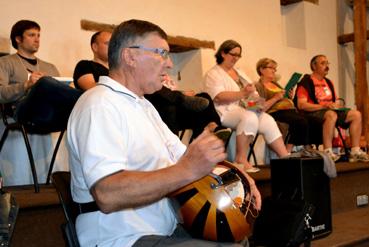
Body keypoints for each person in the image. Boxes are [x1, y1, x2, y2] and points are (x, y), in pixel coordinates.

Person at [67, 19, 261, 247]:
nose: (169, 64)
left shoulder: (144, 106)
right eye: (161, 53)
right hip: (121, 237)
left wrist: (239, 176)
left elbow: (184, 158)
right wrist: (187, 169)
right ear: (130, 57)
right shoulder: (99, 104)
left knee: (239, 240)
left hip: (163, 228)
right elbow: (107, 193)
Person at [73, 31, 222, 139]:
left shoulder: (120, 69)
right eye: (107, 43)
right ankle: (179, 100)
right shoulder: (86, 65)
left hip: (146, 100)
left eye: (114, 43)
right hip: (127, 101)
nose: (112, 46)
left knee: (203, 97)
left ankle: (208, 132)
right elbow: (92, 88)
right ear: (94, 46)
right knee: (166, 103)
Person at [204, 40, 289, 172]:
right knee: (249, 117)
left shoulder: (240, 72)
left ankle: (285, 157)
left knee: (267, 119)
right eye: (233, 54)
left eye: (238, 55)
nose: (236, 58)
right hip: (225, 111)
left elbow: (252, 93)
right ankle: (241, 159)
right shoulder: (213, 73)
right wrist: (243, 93)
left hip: (245, 108)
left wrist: (259, 105)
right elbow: (219, 96)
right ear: (223, 53)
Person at [0, 20, 81, 131]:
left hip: (52, 115)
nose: (37, 39)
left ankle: (87, 101)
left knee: (55, 85)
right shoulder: (5, 62)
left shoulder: (50, 67)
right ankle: (86, 98)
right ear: (18, 39)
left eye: (38, 35)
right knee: (44, 82)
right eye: (31, 35)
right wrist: (26, 85)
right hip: (22, 112)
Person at [295, 54, 369, 162]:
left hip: (330, 111)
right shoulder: (306, 82)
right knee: (331, 114)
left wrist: (337, 105)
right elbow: (301, 105)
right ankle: (328, 151)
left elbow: (334, 100)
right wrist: (324, 105)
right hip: (313, 112)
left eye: (327, 63)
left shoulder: (329, 82)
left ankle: (355, 151)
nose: (327, 66)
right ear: (314, 66)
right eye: (323, 63)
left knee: (356, 114)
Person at [255, 58, 310, 153]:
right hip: (275, 112)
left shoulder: (276, 84)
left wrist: (289, 97)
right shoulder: (258, 86)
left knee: (313, 120)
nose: (274, 71)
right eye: (271, 68)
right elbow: (259, 108)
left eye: (275, 69)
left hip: (290, 111)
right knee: (300, 121)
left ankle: (306, 148)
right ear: (261, 69)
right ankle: (288, 150)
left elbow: (283, 100)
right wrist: (275, 98)